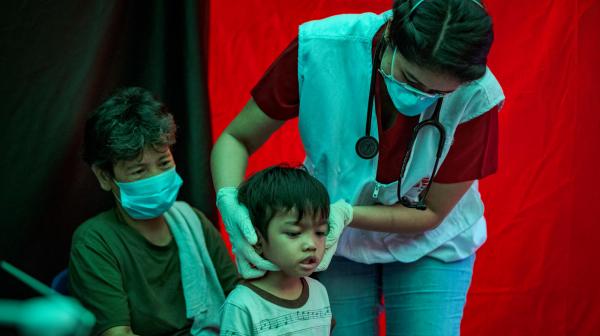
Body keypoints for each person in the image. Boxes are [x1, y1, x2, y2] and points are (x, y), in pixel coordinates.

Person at [211, 0, 504, 335]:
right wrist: (228, 199)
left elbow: (432, 213)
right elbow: (236, 138)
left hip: (431, 242)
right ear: (392, 31)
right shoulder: (322, 48)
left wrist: (345, 214)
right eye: (409, 78)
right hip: (333, 243)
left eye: (437, 93)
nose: (418, 96)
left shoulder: (478, 95)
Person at [69, 87, 239, 336]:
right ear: (105, 177)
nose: (156, 177)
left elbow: (238, 300)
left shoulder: (192, 222)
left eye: (164, 163)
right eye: (139, 171)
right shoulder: (95, 241)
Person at [219, 165, 335, 335]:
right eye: (294, 233)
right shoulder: (242, 305)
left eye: (320, 232)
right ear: (257, 239)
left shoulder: (319, 292)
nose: (311, 244)